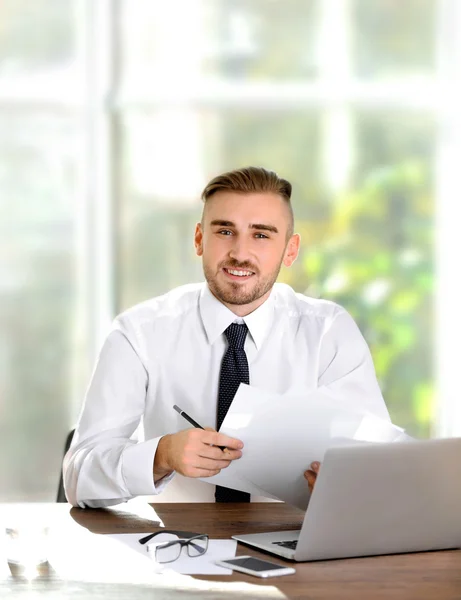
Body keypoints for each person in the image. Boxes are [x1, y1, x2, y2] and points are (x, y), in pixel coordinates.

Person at [63, 166, 390, 508]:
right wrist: (160, 456)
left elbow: (378, 466)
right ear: (199, 239)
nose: (240, 253)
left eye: (261, 235)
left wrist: (351, 485)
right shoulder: (139, 332)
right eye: (225, 232)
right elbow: (78, 479)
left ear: (290, 250)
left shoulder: (328, 333)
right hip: (176, 548)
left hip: (296, 543)